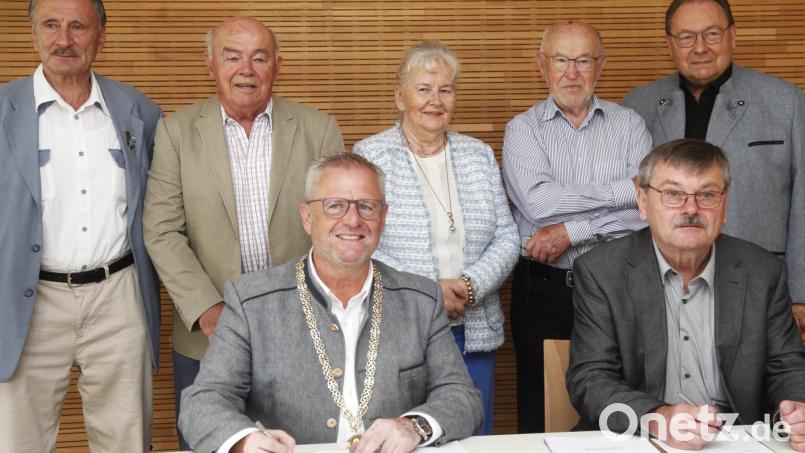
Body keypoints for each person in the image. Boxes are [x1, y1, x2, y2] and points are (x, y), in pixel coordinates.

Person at [178, 153, 482, 453]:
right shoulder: (251, 302)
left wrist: (414, 426)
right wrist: (244, 441)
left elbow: (461, 396)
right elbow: (203, 402)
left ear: (383, 218)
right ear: (307, 217)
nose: (353, 219)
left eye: (367, 206)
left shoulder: (421, 300)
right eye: (335, 205)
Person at [143, 16, 344, 448]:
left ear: (278, 65)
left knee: (304, 444)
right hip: (207, 335)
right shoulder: (176, 132)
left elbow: (337, 227)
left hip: (303, 331)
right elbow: (161, 230)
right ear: (210, 64)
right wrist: (209, 310)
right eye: (231, 57)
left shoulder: (319, 129)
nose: (246, 70)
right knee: (212, 442)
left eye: (259, 58)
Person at [567, 139, 805, 451]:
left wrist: (797, 409)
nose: (691, 209)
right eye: (672, 194)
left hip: (738, 441)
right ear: (642, 202)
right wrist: (656, 417)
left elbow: (787, 366)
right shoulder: (601, 271)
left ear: (724, 205)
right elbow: (590, 378)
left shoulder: (762, 271)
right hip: (641, 440)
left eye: (707, 195)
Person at [0, 0, 162, 451]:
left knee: (127, 439)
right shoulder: (2, 110)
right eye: (51, 25)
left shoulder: (139, 111)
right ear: (33, 34)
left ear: (101, 36)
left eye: (77, 26)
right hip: (26, 300)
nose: (64, 39)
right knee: (17, 441)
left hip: (119, 297)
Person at [353, 41, 519, 435]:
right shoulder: (371, 156)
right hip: (400, 330)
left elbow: (508, 237)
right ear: (400, 97)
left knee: (472, 433)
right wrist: (430, 292)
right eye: (424, 89)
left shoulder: (478, 154)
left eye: (445, 90)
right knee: (403, 435)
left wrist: (469, 286)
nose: (435, 100)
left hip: (473, 328)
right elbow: (361, 241)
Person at [501, 20, 652, 433]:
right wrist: (624, 189)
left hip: (621, 286)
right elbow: (541, 204)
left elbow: (648, 209)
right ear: (542, 65)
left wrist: (573, 231)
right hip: (545, 289)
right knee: (542, 410)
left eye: (583, 60)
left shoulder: (630, 125)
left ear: (600, 65)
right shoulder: (523, 130)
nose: (572, 73)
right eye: (561, 60)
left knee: (619, 403)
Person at [623, 0, 805, 333]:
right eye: (686, 37)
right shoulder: (638, 105)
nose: (700, 47)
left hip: (759, 282)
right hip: (661, 284)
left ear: (732, 35)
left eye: (711, 34)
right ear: (670, 44)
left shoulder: (786, 101)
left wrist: (801, 291)